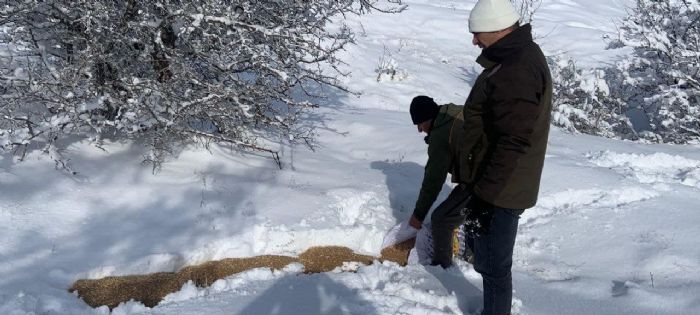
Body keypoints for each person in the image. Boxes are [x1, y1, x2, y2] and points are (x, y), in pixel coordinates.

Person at [429, 0, 553, 314]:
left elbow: (514, 140)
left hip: (502, 188)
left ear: (497, 29)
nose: (474, 40)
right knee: (487, 258)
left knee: (496, 267)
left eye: (477, 33)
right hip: (494, 181)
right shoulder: (514, 57)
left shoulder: (516, 69)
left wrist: (487, 193)